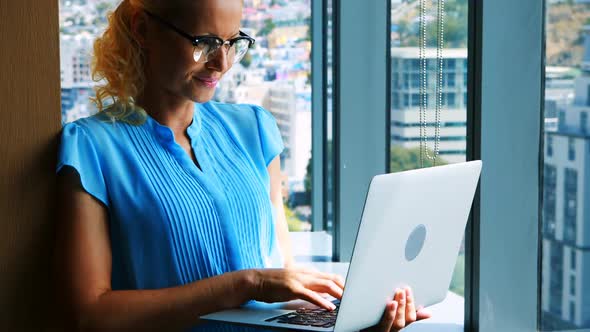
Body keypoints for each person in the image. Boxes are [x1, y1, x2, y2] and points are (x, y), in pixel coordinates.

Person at [55, 0, 431, 331]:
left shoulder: (254, 128)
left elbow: (282, 281)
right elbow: (91, 314)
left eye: (233, 42)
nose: (222, 62)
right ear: (142, 29)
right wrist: (245, 284)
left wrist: (354, 320)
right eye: (203, 42)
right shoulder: (91, 147)